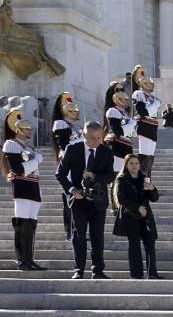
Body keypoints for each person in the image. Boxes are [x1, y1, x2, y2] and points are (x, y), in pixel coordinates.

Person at [55, 121, 116, 279]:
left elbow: (111, 176)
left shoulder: (107, 152)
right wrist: (72, 190)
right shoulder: (72, 149)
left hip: (98, 200)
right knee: (78, 235)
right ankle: (79, 270)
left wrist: (95, 177)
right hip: (78, 200)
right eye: (92, 138)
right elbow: (60, 174)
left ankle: (98, 270)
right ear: (84, 136)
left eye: (98, 138)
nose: (96, 141)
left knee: (98, 236)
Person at [3, 108, 46, 271]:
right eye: (27, 129)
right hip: (21, 187)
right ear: (18, 130)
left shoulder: (28, 147)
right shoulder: (12, 144)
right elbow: (18, 169)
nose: (30, 131)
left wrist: (35, 160)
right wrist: (36, 161)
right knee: (21, 224)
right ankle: (21, 259)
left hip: (33, 187)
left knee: (31, 224)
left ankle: (29, 258)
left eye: (30, 128)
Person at [112, 154, 160, 279]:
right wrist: (137, 208)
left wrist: (152, 189)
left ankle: (152, 273)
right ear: (126, 165)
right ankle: (137, 275)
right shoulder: (122, 179)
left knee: (150, 243)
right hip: (130, 216)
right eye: (131, 163)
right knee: (134, 245)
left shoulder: (144, 178)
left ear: (140, 165)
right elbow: (122, 199)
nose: (134, 166)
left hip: (146, 216)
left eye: (136, 163)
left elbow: (154, 198)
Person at [50, 91, 82, 239]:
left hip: (79, 163)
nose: (75, 113)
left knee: (78, 197)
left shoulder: (75, 126)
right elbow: (63, 145)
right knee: (69, 196)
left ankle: (77, 228)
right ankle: (70, 230)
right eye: (72, 111)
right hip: (68, 163)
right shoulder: (60, 123)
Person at [130, 65, 162, 178]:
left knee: (150, 157)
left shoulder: (151, 97)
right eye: (148, 83)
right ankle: (142, 181)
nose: (151, 85)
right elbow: (142, 111)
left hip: (152, 127)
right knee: (144, 156)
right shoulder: (139, 94)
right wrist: (155, 105)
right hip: (144, 126)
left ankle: (147, 181)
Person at [103, 81, 137, 175]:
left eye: (122, 90)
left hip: (126, 145)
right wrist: (131, 124)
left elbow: (131, 133)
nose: (121, 92)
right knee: (117, 175)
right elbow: (117, 131)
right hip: (117, 146)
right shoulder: (112, 111)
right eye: (117, 90)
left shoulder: (124, 113)